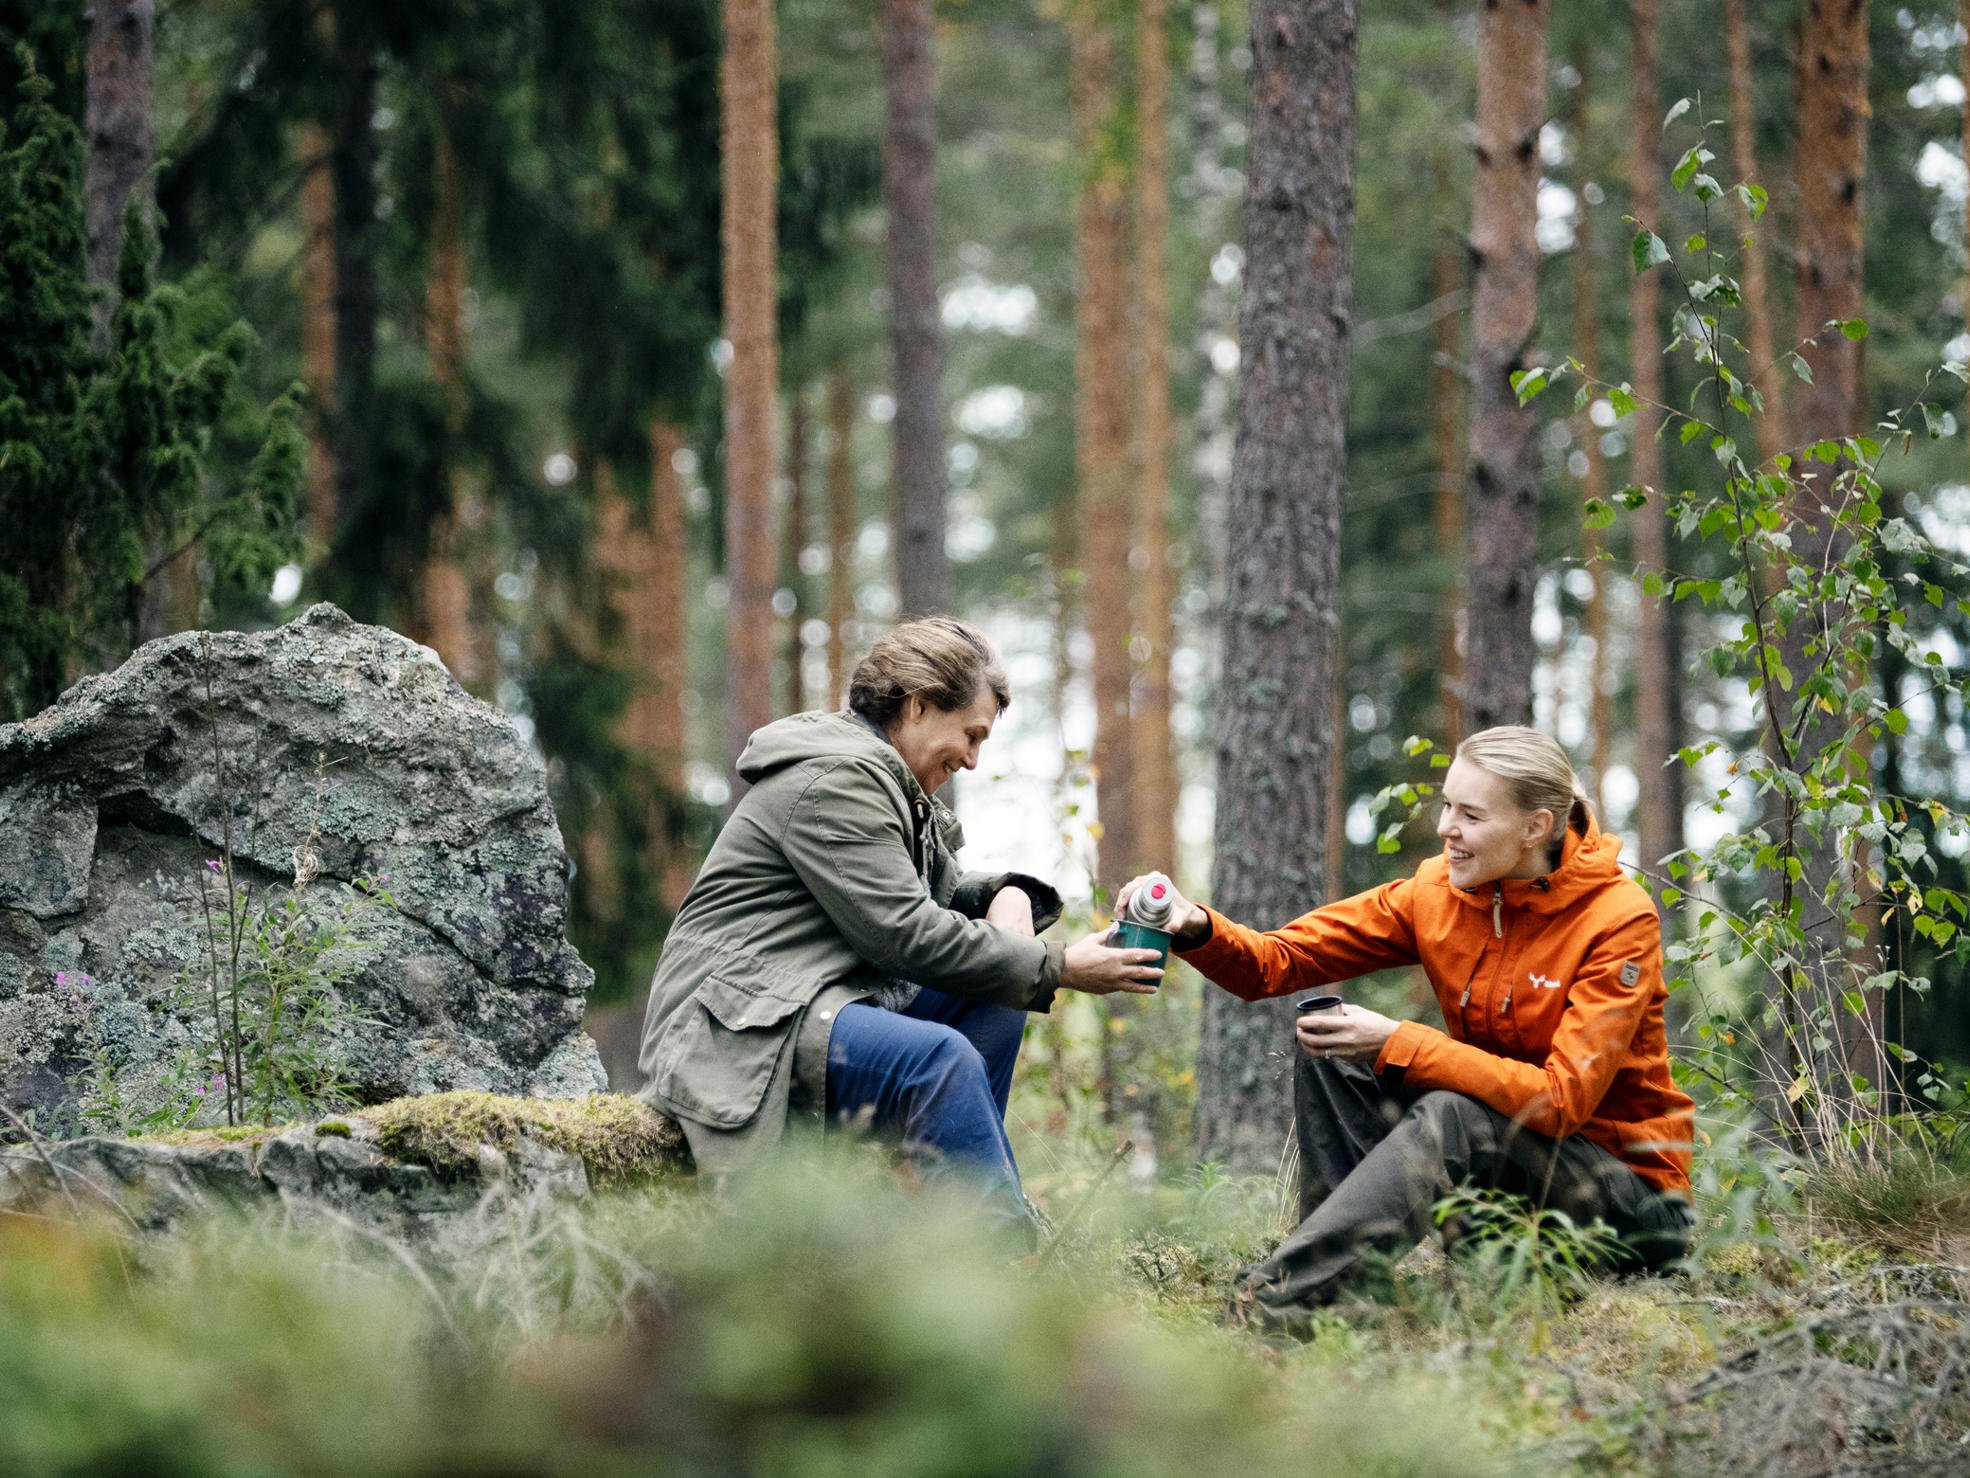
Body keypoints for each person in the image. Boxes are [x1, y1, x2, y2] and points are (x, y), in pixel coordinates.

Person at [1120, 725, 1696, 1328]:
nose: (1447, 827)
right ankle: (1341, 1292)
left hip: (1629, 1208)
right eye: (1447, 804)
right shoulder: (1438, 892)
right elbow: (1277, 961)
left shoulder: (1617, 919)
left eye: (1471, 815)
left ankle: (1275, 1300)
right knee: (1332, 1047)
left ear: (1536, 828)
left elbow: (1559, 1101)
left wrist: (1401, 1043)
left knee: (1456, 1114)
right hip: (1508, 1193)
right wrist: (1194, 925)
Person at [637, 616, 1162, 1236]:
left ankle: (953, 1205)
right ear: (916, 706)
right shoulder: (837, 780)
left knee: (993, 1001)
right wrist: (1061, 965)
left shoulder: (883, 782)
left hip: (800, 1005)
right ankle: (1001, 1261)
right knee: (940, 1061)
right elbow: (903, 931)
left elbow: (932, 895)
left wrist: (1011, 895)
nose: (971, 759)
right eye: (970, 735)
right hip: (738, 1030)